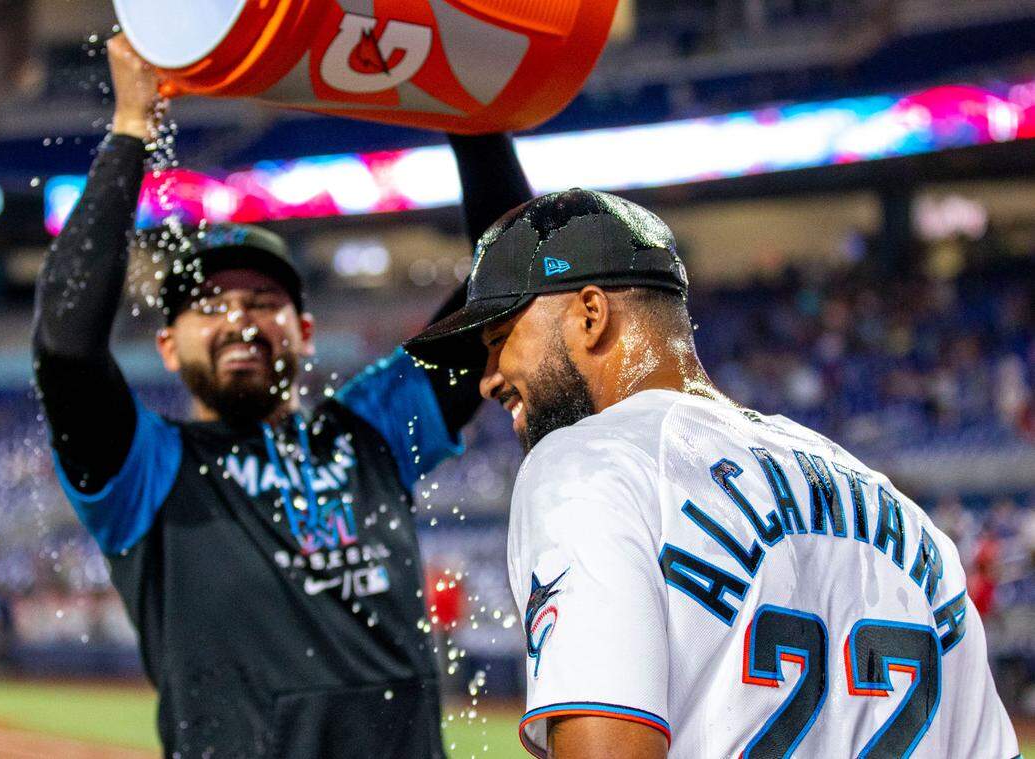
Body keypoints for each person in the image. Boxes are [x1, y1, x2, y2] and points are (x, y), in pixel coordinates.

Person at [32, 35, 531, 758]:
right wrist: (131, 129)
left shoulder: (371, 431)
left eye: (263, 300)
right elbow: (66, 345)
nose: (239, 318)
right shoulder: (142, 470)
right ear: (167, 345)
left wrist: (465, 100)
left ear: (303, 331)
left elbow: (509, 281)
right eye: (208, 305)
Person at [405, 189, 1019, 759]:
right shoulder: (903, 518)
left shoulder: (587, 462)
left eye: (501, 338)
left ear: (590, 315)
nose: (486, 379)